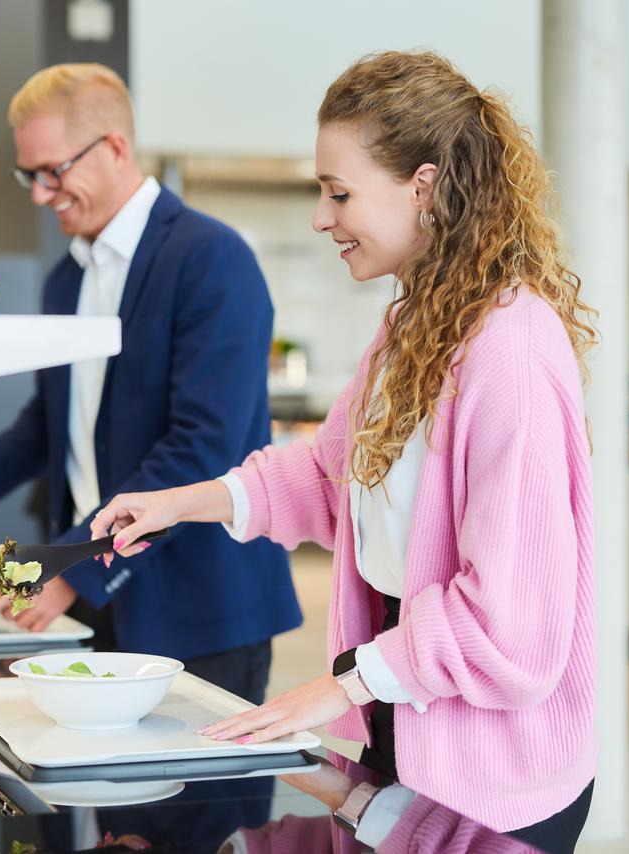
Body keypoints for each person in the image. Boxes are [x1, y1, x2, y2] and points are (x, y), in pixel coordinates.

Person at [91, 51, 598, 852]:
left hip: (496, 777)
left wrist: (342, 685)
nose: (323, 217)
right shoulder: (411, 326)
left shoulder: (513, 348)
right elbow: (330, 475)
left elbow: (514, 622)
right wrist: (181, 504)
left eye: (339, 193)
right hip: (407, 719)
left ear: (423, 189)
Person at [0, 63, 301, 705]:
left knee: (187, 806)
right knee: (104, 798)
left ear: (115, 149)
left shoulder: (212, 259)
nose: (40, 194)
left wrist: (68, 565)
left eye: (52, 171)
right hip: (97, 598)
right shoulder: (66, 279)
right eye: (29, 176)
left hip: (197, 610)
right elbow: (51, 419)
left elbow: (203, 448)